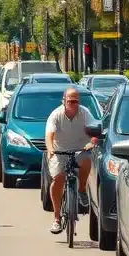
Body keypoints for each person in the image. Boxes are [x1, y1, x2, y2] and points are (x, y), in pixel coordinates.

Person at [44, 87, 96, 234]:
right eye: (70, 101)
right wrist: (50, 149)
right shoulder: (56, 115)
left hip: (80, 149)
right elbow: (49, 135)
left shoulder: (85, 113)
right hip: (60, 151)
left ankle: (81, 190)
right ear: (64, 101)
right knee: (58, 179)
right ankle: (56, 218)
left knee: (86, 159)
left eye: (76, 101)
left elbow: (94, 131)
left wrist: (92, 142)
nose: (73, 104)